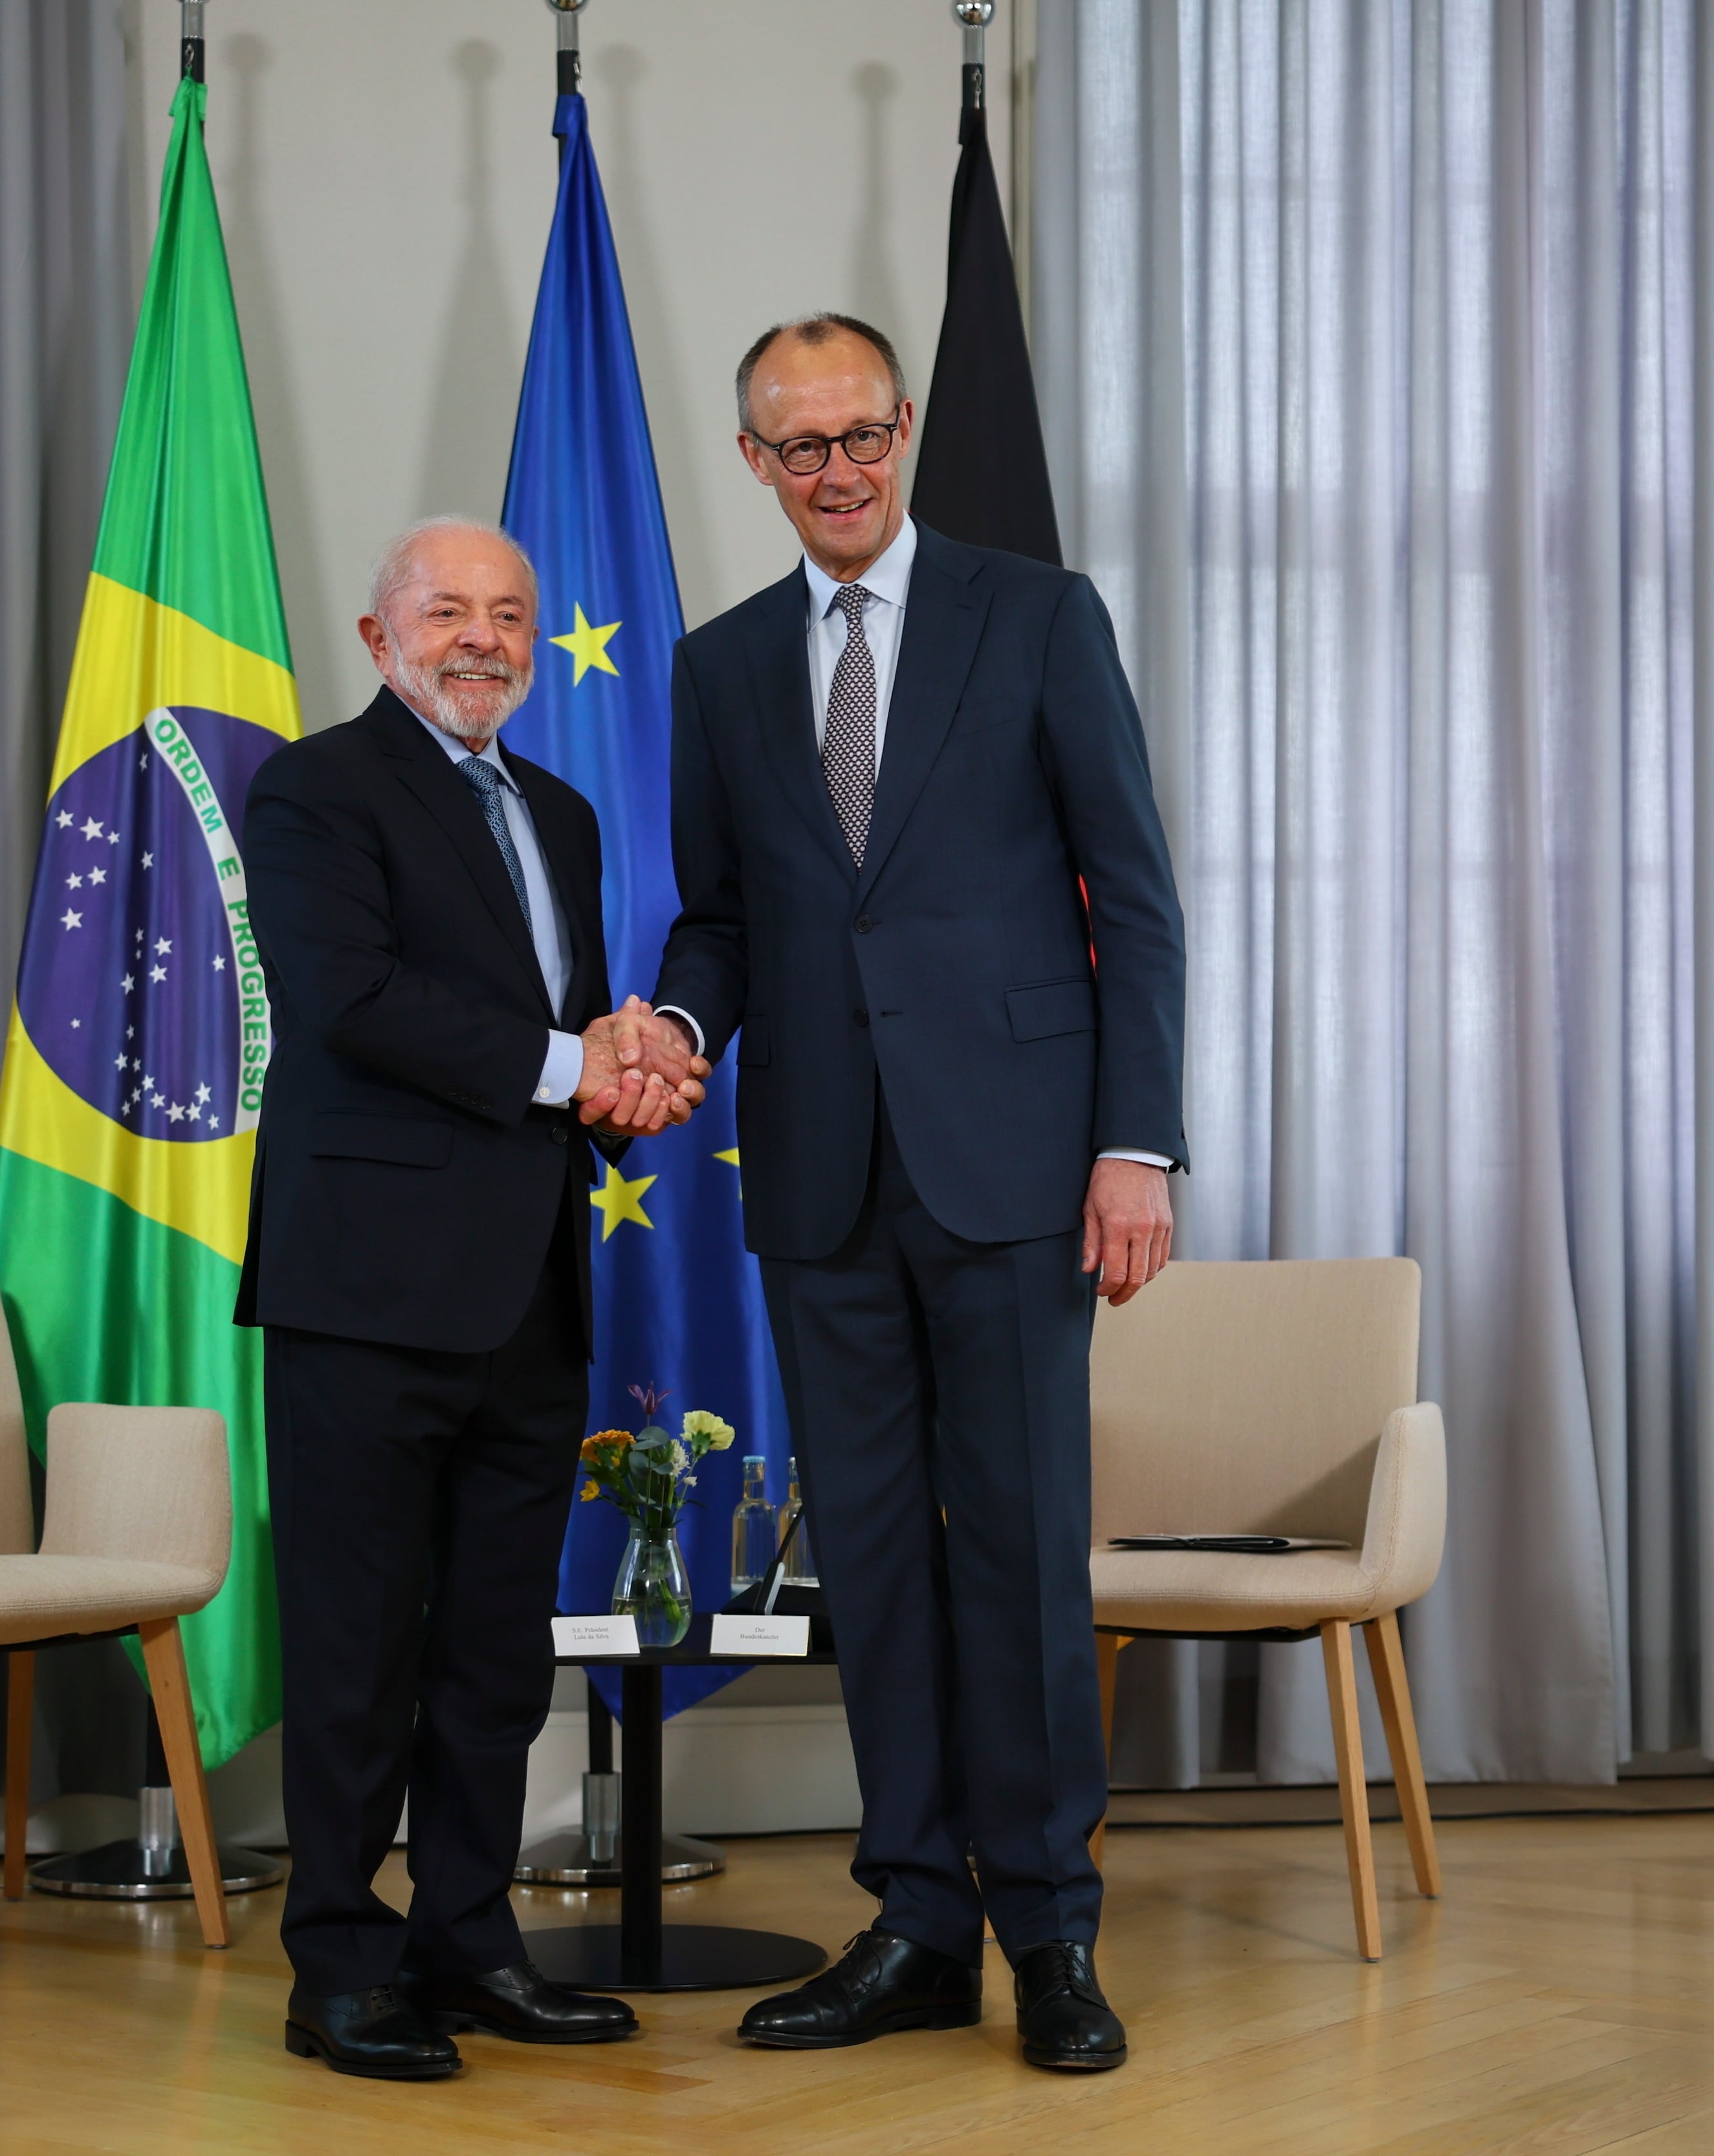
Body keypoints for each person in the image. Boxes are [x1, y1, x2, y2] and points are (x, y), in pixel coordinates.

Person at [643, 315, 1185, 2073]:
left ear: (906, 427)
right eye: (799, 447)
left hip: (1020, 1167)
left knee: (1020, 1556)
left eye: (862, 432)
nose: (838, 470)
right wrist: (674, 1020)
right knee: (870, 1563)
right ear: (756, 465)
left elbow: (1136, 893)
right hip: (818, 1175)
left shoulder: (1038, 617)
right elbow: (720, 915)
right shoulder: (721, 665)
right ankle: (916, 1922)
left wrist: (1136, 1141)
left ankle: (1050, 1927)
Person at [236, 516, 711, 2080]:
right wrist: (581, 1064)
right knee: (360, 1645)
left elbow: (549, 1023)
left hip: (527, 1291)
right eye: (447, 610)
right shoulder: (314, 787)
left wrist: (627, 1045)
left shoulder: (563, 814)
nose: (483, 638)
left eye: (508, 614)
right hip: (364, 1292)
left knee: (496, 1653)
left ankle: (468, 1938)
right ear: (378, 639)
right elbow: (354, 1000)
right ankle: (340, 1964)